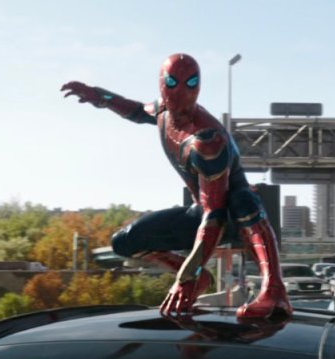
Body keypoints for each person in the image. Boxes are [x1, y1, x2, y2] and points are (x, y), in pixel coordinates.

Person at [61, 53, 290, 319]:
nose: (181, 92)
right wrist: (101, 97)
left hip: (233, 218)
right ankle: (201, 277)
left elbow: (215, 215)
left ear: (199, 86)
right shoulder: (161, 111)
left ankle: (275, 290)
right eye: (172, 82)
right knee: (124, 242)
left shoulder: (206, 141)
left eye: (190, 83)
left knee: (243, 199)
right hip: (201, 213)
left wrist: (187, 273)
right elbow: (136, 111)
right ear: (161, 82)